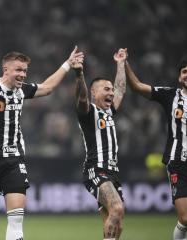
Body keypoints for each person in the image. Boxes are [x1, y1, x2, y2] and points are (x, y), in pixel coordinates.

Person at [0, 41, 84, 240]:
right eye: (19, 70)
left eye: (25, 71)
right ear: (5, 69)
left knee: (16, 219)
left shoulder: (21, 90)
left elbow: (48, 88)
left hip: (13, 160)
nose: (23, 75)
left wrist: (68, 63)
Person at [125, 52, 187, 240]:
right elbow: (137, 86)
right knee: (186, 219)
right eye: (185, 71)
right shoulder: (170, 95)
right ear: (180, 77)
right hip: (178, 164)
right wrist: (124, 63)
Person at [75, 48, 127, 240]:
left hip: (112, 172)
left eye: (111, 90)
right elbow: (81, 98)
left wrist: (120, 63)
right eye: (106, 89)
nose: (111, 92)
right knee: (117, 207)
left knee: (116, 224)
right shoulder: (88, 114)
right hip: (96, 169)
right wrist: (79, 74)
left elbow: (121, 87)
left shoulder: (109, 112)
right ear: (93, 92)